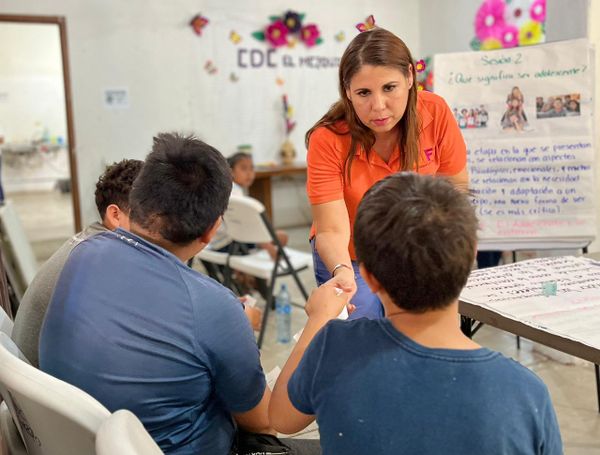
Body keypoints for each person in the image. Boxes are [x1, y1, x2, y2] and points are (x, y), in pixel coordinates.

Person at [39, 133, 319, 455]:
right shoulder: (214, 307)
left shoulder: (84, 251)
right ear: (213, 230)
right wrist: (318, 320)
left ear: (139, 198)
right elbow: (267, 420)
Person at [269, 172, 563, 455]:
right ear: (472, 254)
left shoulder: (334, 346)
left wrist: (318, 320)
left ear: (368, 277)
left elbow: (281, 418)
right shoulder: (525, 392)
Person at [305, 27, 468, 320]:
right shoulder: (327, 138)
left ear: (409, 77)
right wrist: (342, 273)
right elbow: (331, 229)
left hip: (414, 249)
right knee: (361, 336)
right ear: (347, 91)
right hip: (350, 256)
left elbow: (455, 192)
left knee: (417, 337)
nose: (378, 106)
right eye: (363, 93)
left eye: (389, 88)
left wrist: (446, 257)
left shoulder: (436, 112)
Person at [11, 159, 143, 367]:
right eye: (150, 214)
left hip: (29, 383)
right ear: (115, 215)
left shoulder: (90, 242)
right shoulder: (105, 259)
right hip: (51, 390)